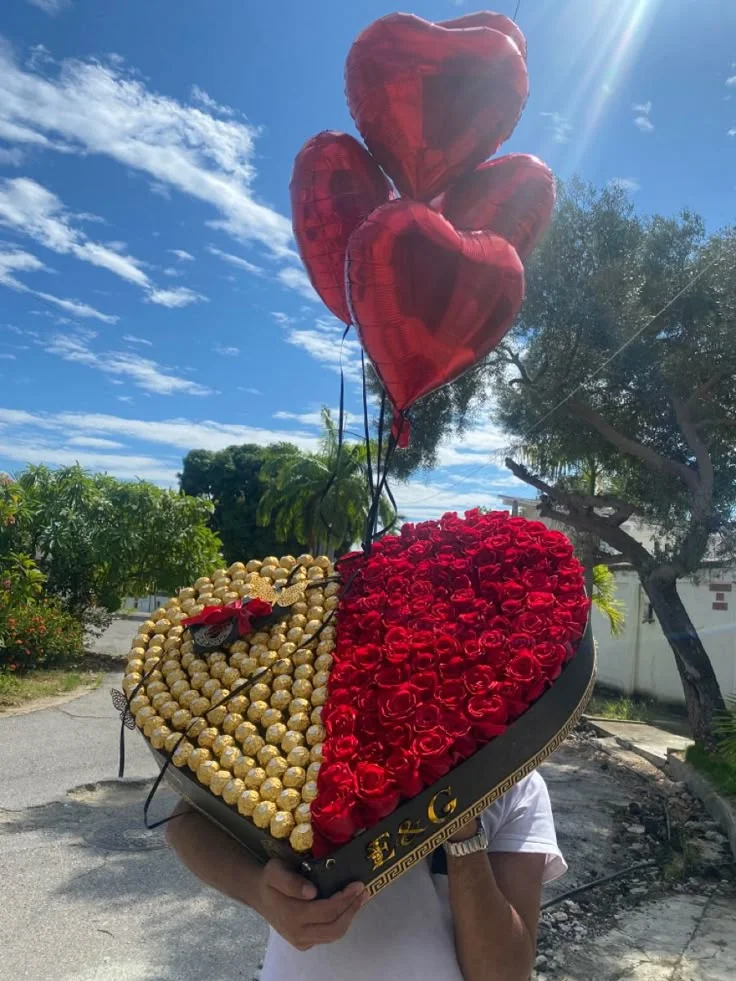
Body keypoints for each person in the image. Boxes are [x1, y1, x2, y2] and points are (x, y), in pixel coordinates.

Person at [166, 768, 565, 981]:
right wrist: (257, 890)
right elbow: (187, 818)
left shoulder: (515, 780)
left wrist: (460, 826)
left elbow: (504, 976)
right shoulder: (307, 726)